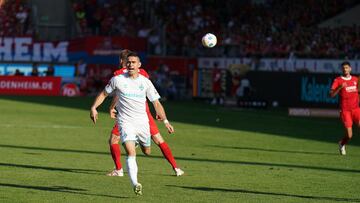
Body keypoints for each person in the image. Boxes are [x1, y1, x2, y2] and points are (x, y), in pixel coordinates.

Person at [90, 52, 175, 195]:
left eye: (133, 62)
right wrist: (94, 107)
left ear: (139, 65)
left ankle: (140, 142)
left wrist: (165, 121)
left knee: (147, 151)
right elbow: (104, 94)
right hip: (125, 121)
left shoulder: (145, 82)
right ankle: (135, 183)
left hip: (142, 122)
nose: (130, 64)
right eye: (128, 62)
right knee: (130, 152)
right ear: (125, 64)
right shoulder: (117, 79)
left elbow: (156, 103)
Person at [107, 49, 184, 177]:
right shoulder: (142, 73)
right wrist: (164, 119)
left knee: (114, 140)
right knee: (158, 140)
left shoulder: (118, 74)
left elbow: (118, 94)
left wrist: (111, 107)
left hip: (129, 115)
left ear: (122, 61)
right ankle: (176, 168)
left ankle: (119, 168)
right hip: (145, 113)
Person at [330, 61, 360, 155]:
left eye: (347, 67)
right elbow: (331, 95)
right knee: (350, 135)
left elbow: (358, 92)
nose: (345, 69)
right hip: (345, 111)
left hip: (356, 110)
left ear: (350, 69)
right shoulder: (338, 80)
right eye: (343, 68)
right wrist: (339, 87)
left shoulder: (356, 79)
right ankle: (342, 144)